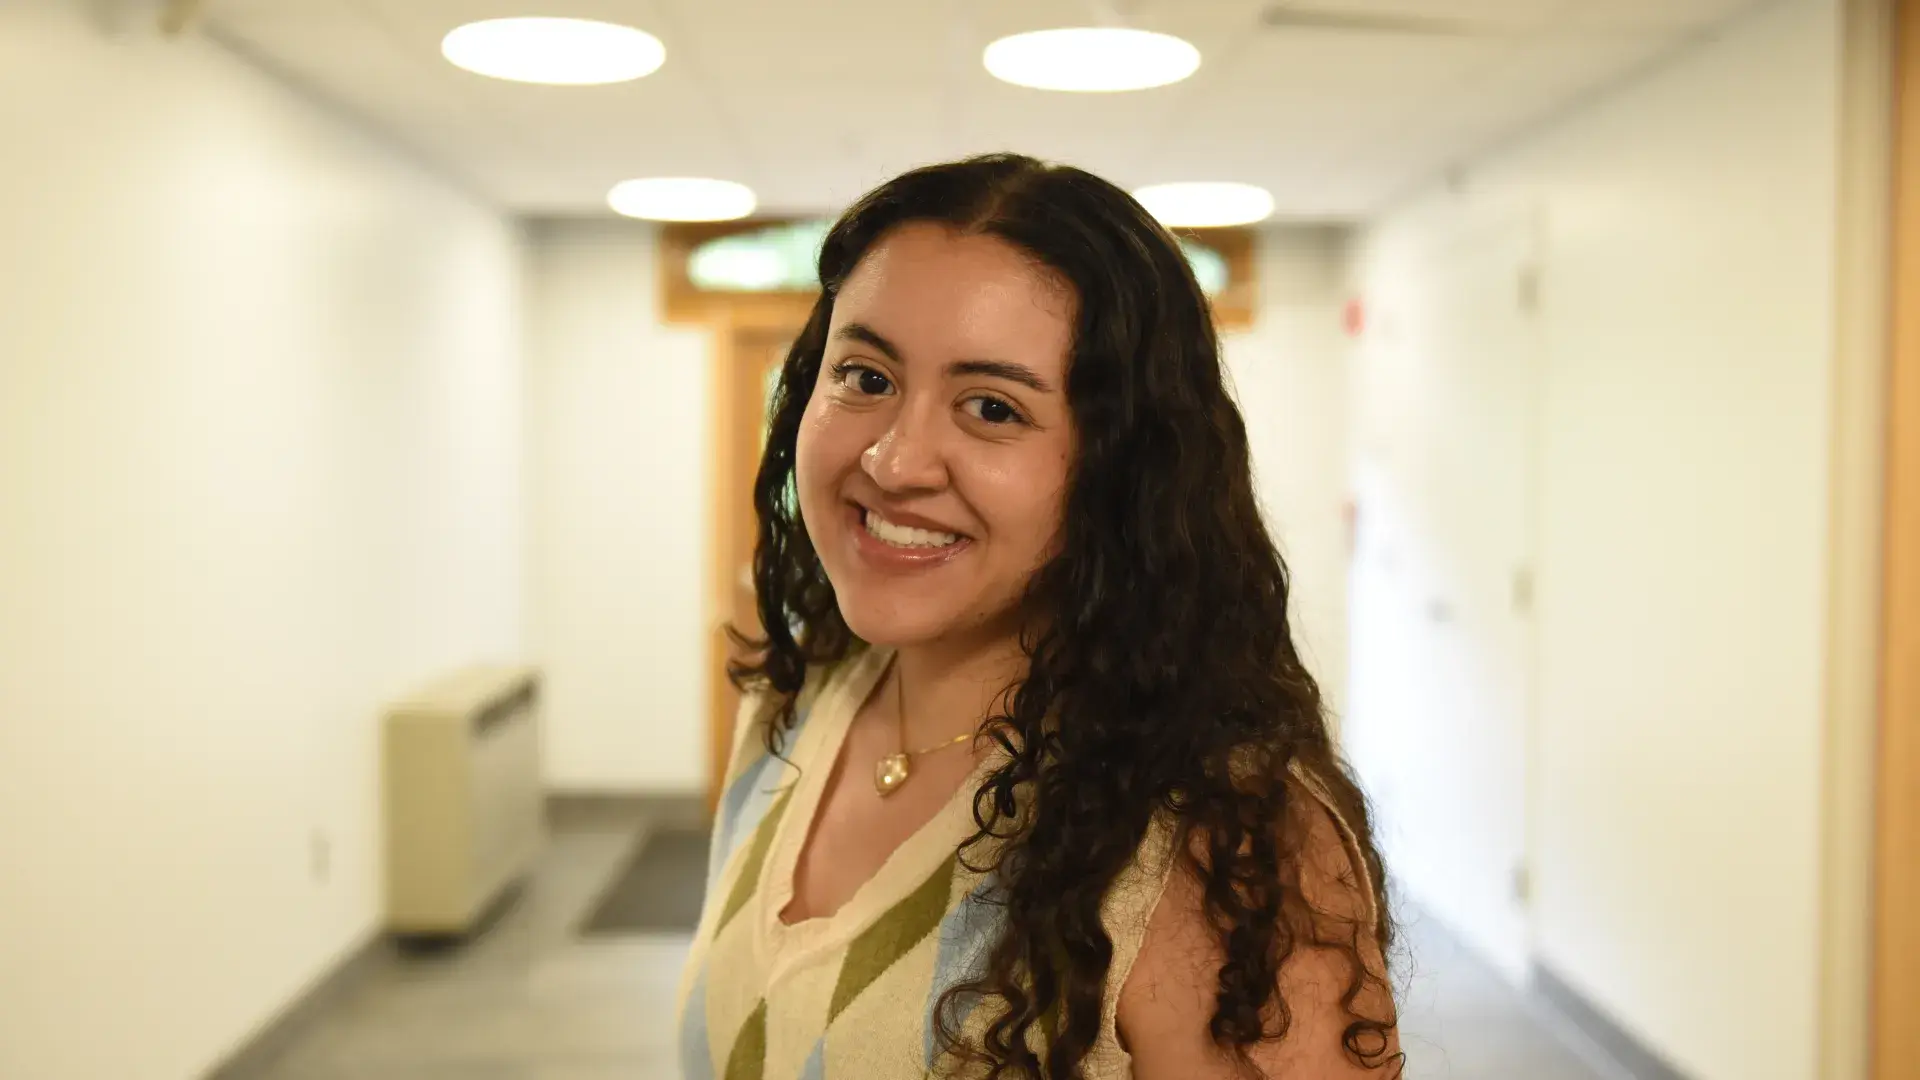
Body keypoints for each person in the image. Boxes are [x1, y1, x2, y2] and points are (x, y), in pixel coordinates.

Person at [676, 153, 1401, 1080]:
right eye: (863, 376)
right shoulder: (789, 701)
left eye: (991, 407)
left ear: (1121, 470)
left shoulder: (1227, 845)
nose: (897, 462)